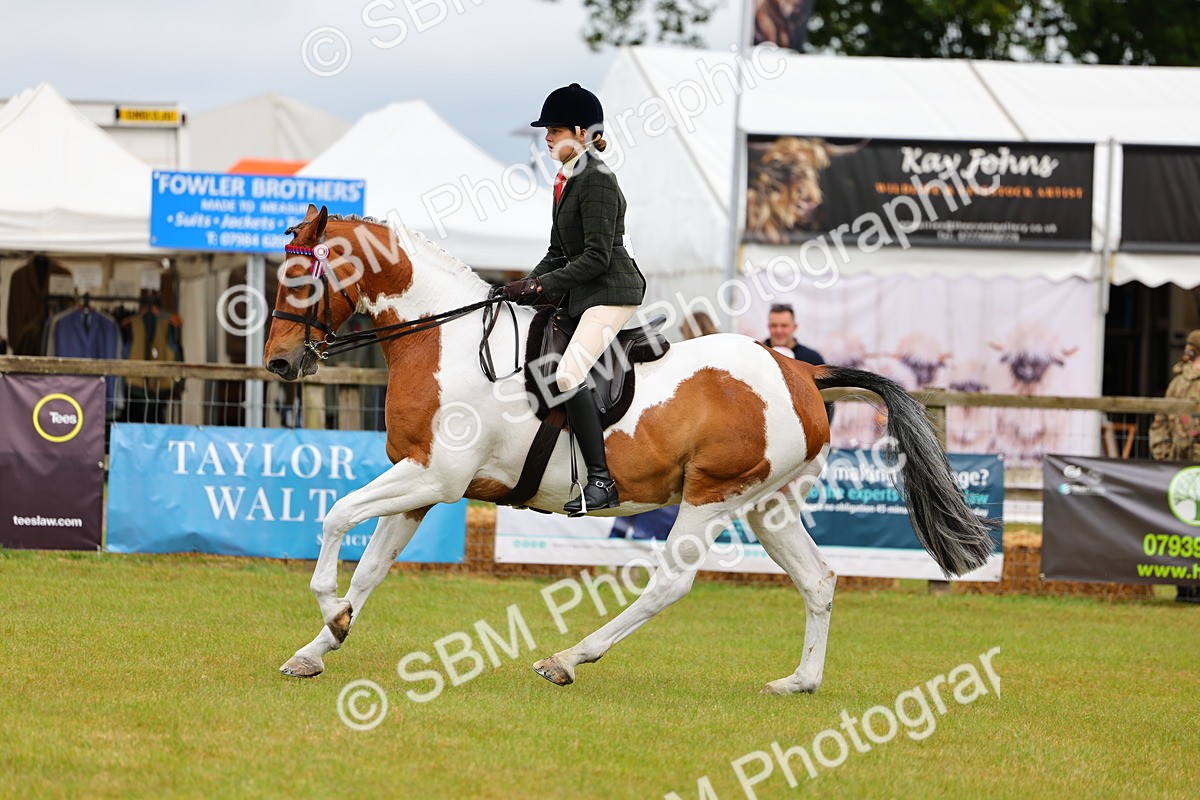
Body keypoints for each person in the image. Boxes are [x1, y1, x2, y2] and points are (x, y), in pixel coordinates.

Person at [501, 83, 647, 516]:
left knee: (567, 375)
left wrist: (543, 288)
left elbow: (597, 258)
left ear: (580, 131)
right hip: (585, 290)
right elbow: (557, 253)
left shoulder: (597, 179)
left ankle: (601, 480)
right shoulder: (565, 179)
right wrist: (522, 288)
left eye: (554, 128)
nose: (546, 136)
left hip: (612, 291)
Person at [1149, 329, 1200, 604]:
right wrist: (1165, 454)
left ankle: (1186, 586)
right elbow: (1161, 422)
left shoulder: (1177, 381)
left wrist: (1163, 455)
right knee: (1184, 525)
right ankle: (1187, 586)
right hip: (1181, 465)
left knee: (1182, 525)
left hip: (1178, 466)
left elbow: (1158, 425)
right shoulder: (1179, 382)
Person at [763, 303, 833, 421]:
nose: (779, 330)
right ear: (768, 327)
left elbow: (827, 400)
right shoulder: (757, 355)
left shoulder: (813, 359)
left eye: (784, 325)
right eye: (774, 326)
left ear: (794, 327)